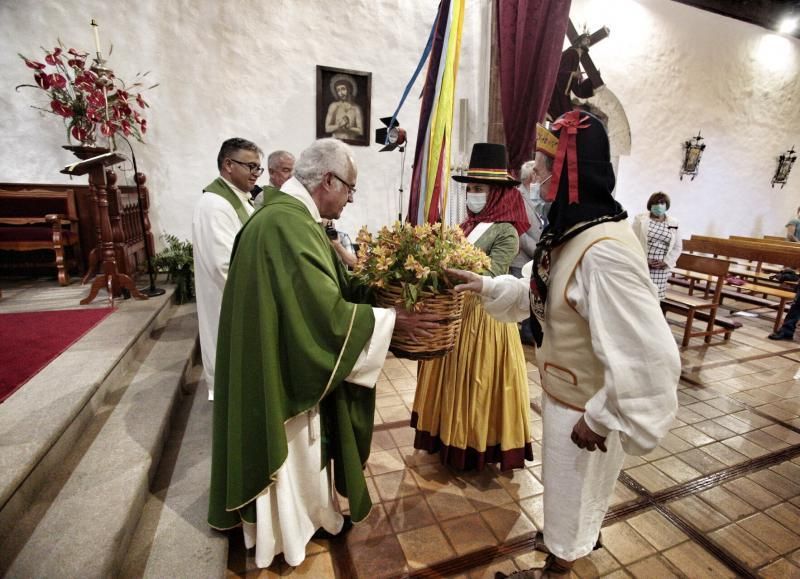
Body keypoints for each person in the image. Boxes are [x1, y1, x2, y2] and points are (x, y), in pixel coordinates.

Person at [448, 111, 680, 578]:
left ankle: (560, 564)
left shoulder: (605, 251)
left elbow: (649, 354)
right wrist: (490, 287)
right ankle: (567, 542)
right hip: (566, 395)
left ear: (570, 173)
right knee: (568, 494)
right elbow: (548, 297)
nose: (534, 176)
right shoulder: (570, 233)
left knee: (573, 493)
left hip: (587, 407)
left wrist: (604, 416)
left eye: (542, 166)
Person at [207, 138, 441, 569]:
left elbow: (326, 287)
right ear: (328, 181)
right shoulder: (287, 224)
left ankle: (307, 517)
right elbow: (323, 317)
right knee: (293, 453)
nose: (351, 199)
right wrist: (390, 318)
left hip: (276, 357)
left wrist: (373, 290)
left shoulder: (293, 218)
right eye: (350, 188)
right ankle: (288, 533)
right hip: (283, 373)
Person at [411, 143, 534, 471]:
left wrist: (451, 265)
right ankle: (446, 434)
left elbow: (494, 272)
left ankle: (472, 444)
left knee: (475, 380)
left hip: (485, 317)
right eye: (471, 189)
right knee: (450, 378)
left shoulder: (506, 230)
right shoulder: (467, 226)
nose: (472, 195)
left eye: (479, 189)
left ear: (495, 193)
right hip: (457, 315)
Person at [193, 137, 261, 400]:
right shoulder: (215, 205)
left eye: (258, 168)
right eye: (251, 166)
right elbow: (224, 267)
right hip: (231, 306)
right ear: (228, 165)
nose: (256, 173)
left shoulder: (239, 198)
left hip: (243, 303)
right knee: (234, 380)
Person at [510, 124, 558, 345]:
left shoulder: (537, 199)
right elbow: (518, 230)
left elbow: (541, 224)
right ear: (530, 179)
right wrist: (537, 250)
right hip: (522, 257)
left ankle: (529, 330)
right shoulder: (518, 198)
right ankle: (525, 332)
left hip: (534, 258)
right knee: (522, 297)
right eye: (537, 176)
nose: (539, 181)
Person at [631, 192, 682, 299]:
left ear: (666, 205)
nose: (659, 206)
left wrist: (666, 262)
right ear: (650, 205)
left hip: (661, 268)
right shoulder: (640, 219)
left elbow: (677, 247)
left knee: (655, 299)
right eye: (656, 203)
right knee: (640, 297)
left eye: (662, 203)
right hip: (643, 264)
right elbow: (632, 242)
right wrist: (645, 261)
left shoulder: (674, 223)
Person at [324, 74, 364, 141]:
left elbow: (360, 131)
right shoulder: (334, 106)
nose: (341, 93)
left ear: (349, 89)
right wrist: (339, 126)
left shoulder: (356, 108)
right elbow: (327, 129)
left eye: (343, 89)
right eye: (338, 90)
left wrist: (348, 128)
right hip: (335, 142)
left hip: (352, 142)